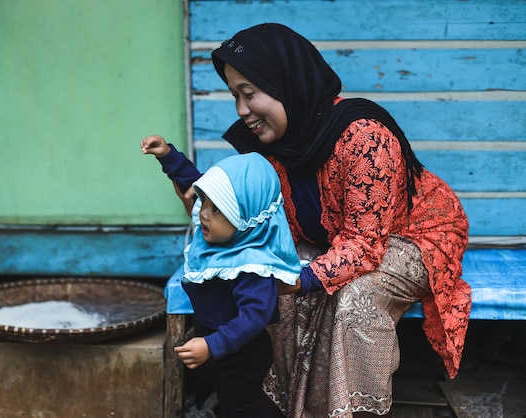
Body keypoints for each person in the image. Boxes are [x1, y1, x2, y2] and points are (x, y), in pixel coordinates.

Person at [173, 23, 472, 417]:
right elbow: (247, 220)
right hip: (332, 238)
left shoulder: (364, 137)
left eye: (250, 94)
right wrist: (200, 203)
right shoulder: (270, 148)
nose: (242, 110)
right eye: (235, 96)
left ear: (287, 83)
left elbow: (365, 243)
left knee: (354, 301)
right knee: (262, 286)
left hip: (411, 232)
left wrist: (297, 279)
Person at [141, 135, 305, 417]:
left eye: (216, 209)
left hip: (239, 353)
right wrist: (167, 155)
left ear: (245, 218)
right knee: (226, 400)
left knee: (243, 408)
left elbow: (253, 318)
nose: (202, 214)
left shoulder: (252, 265)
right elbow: (192, 181)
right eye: (205, 203)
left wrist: (211, 345)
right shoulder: (225, 239)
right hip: (216, 344)